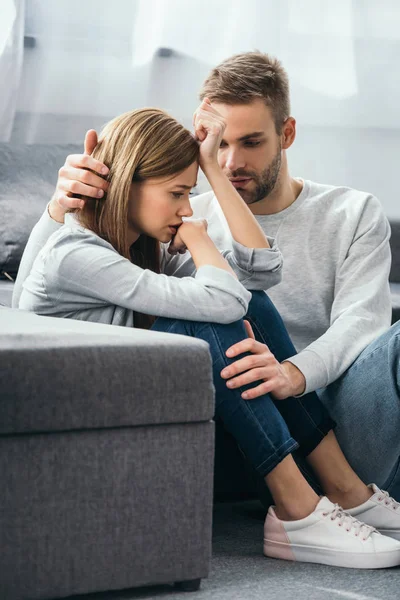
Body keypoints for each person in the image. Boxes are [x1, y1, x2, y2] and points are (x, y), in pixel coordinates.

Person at [14, 103, 400, 569]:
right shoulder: (75, 253)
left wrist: (213, 171)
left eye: (189, 194)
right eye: (177, 193)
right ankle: (296, 511)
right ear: (125, 183)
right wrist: (201, 242)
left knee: (247, 306)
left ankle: (344, 490)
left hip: (154, 390)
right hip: (88, 396)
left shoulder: (141, 249)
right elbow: (223, 303)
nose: (185, 209)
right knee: (205, 320)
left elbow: (259, 277)